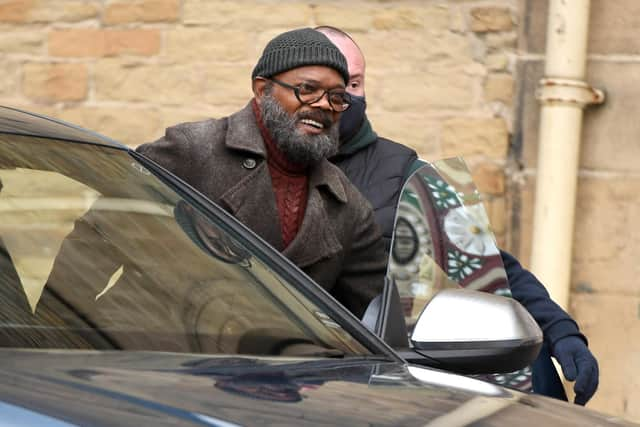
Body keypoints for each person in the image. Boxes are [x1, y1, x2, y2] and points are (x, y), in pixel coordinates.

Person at [315, 25, 598, 405]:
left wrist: (561, 332)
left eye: (356, 84)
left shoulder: (406, 174)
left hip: (377, 388)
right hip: (273, 379)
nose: (346, 96)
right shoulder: (255, 168)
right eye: (335, 82)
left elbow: (490, 269)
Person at [136, 28, 387, 319]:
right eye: (306, 89)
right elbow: (100, 243)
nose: (323, 105)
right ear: (261, 89)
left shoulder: (348, 206)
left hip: (284, 361)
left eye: (336, 97)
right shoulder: (191, 150)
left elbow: (373, 318)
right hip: (166, 354)